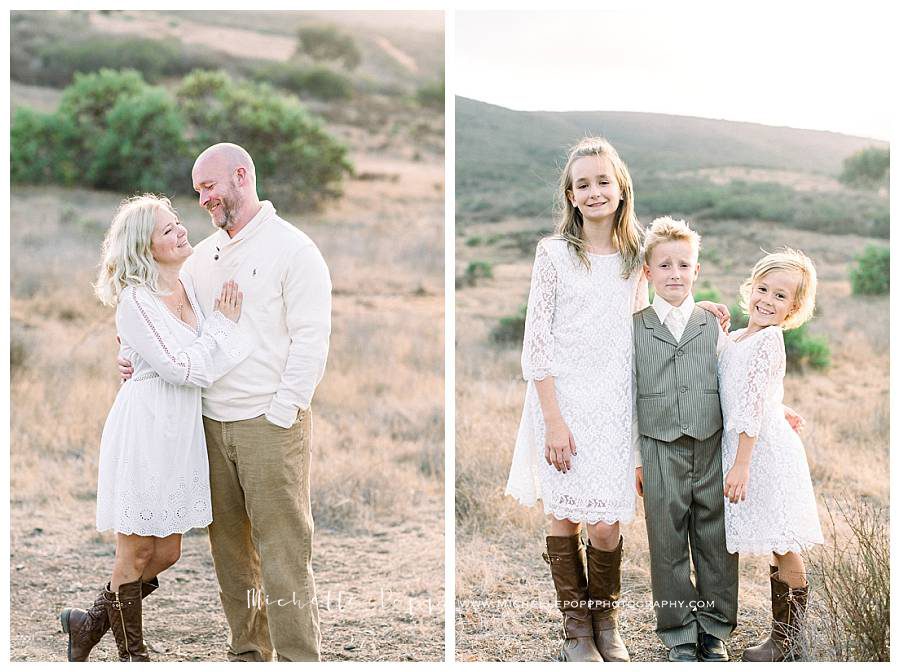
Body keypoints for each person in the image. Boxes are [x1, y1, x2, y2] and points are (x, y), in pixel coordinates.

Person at [505, 138, 729, 662]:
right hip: (560, 402)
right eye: (583, 184)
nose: (595, 191)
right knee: (565, 516)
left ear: (620, 186)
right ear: (571, 194)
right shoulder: (553, 254)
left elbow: (652, 318)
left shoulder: (636, 258)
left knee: (607, 523)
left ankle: (606, 624)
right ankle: (577, 633)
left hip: (616, 405)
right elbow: (535, 341)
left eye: (604, 180)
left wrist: (699, 310)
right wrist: (553, 420)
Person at [118, 143, 332, 661]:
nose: (203, 201)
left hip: (269, 423)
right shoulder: (204, 257)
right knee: (231, 553)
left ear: (241, 176)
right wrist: (129, 355)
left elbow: (312, 339)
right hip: (209, 425)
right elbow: (166, 321)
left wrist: (284, 410)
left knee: (283, 552)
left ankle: (300, 658)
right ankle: (248, 654)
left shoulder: (293, 249)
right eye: (197, 193)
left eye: (209, 188)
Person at [60, 194, 249, 661]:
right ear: (145, 247)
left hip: (181, 428)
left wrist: (206, 342)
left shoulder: (190, 288)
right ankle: (133, 655)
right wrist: (221, 332)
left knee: (167, 553)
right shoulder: (136, 300)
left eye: (177, 222)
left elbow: (200, 363)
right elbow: (179, 368)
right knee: (136, 548)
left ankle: (88, 623)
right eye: (168, 230)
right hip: (146, 425)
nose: (181, 231)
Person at [632, 216, 738, 662]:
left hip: (710, 445)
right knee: (667, 542)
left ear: (696, 270)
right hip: (657, 446)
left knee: (715, 539)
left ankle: (713, 631)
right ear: (648, 272)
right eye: (665, 266)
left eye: (684, 265)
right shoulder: (634, 327)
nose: (675, 274)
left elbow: (733, 384)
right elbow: (627, 396)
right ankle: (678, 634)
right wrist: (636, 457)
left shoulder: (711, 324)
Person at [719, 249, 823, 662]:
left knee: (782, 540)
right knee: (774, 542)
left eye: (781, 296)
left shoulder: (768, 341)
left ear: (794, 307)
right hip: (752, 444)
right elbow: (744, 389)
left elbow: (748, 407)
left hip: (763, 453)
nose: (767, 300)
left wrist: (741, 464)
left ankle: (787, 641)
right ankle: (782, 637)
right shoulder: (741, 337)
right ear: (750, 288)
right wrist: (780, 407)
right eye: (762, 289)